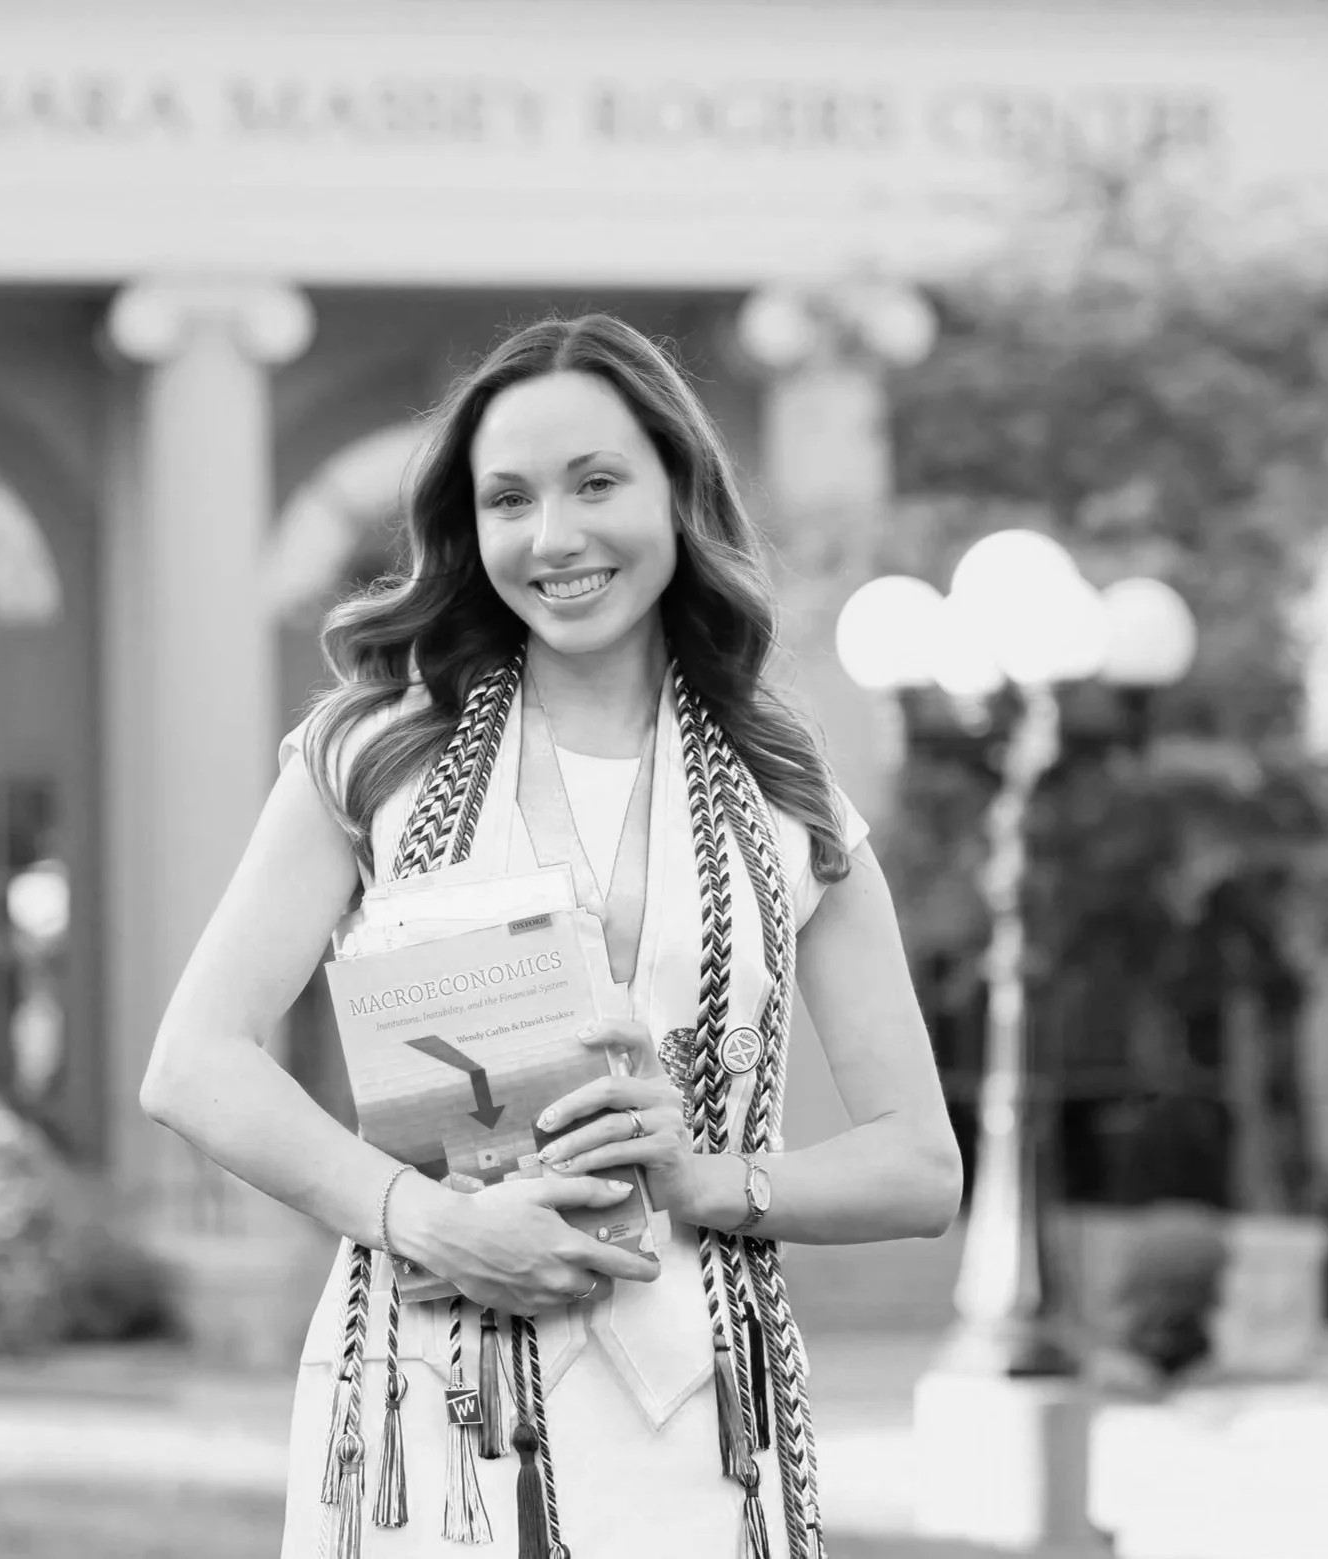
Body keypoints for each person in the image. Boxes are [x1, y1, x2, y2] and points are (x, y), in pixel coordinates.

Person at [140, 313, 961, 1559]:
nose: (553, 536)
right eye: (507, 498)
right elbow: (195, 1059)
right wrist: (424, 1219)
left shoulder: (791, 803)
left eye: (596, 484)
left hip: (700, 1415)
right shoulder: (374, 757)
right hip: (426, 1405)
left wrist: (710, 1181)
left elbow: (920, 1166)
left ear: (677, 493)